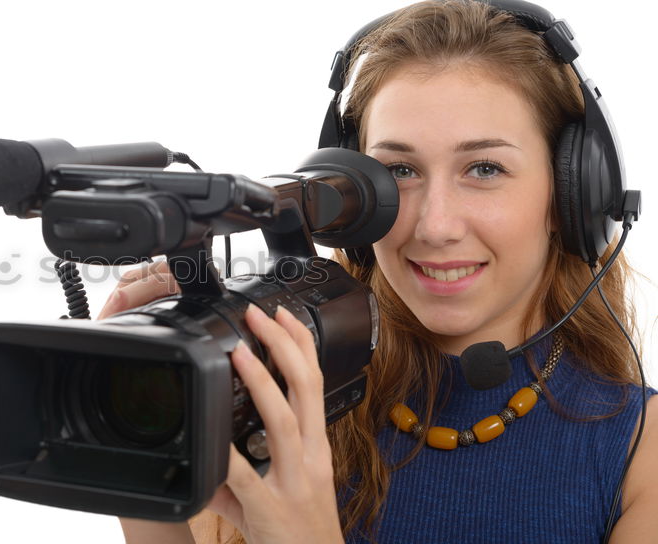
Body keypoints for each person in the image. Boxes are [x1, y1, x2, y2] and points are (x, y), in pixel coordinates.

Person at [105, 1, 658, 542]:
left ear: (571, 196)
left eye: (484, 168)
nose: (434, 226)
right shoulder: (270, 392)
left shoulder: (643, 453)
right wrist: (133, 431)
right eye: (399, 170)